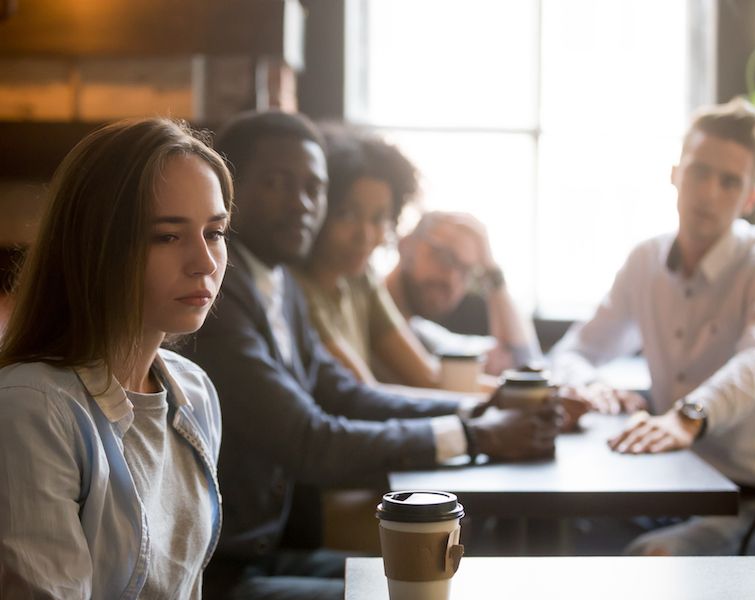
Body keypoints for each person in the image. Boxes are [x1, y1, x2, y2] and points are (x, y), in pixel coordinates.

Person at [180, 110, 559, 600]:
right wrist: (473, 432)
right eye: (277, 183)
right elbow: (307, 440)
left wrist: (473, 409)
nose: (300, 204)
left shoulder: (277, 286)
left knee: (439, 583)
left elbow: (345, 392)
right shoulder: (220, 299)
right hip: (220, 572)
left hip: (270, 551)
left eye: (313, 188)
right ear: (229, 190)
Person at [550, 98, 755, 572]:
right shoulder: (646, 260)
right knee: (569, 539)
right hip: (680, 487)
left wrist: (689, 416)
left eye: (729, 182)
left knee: (654, 562)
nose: (709, 192)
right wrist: (587, 385)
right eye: (699, 172)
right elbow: (577, 349)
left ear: (750, 197)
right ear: (674, 174)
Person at [0, 118, 233, 597]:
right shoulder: (32, 408)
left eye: (214, 232)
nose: (204, 263)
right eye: (167, 236)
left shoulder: (194, 393)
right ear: (97, 244)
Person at [293, 125, 443, 388]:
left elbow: (429, 377)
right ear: (320, 209)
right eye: (347, 215)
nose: (365, 235)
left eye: (378, 218)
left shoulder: (361, 279)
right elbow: (366, 393)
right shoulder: (298, 290)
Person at [385, 210, 542, 375]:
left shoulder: (422, 334)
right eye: (444, 257)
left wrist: (492, 271)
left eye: (465, 271)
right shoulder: (366, 319)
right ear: (405, 247)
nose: (452, 280)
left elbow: (521, 364)